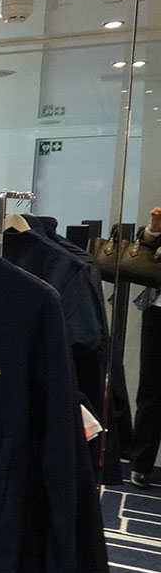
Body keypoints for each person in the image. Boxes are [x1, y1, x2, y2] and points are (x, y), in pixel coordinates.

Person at [131, 206, 161, 488]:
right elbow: (145, 246)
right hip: (158, 312)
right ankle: (141, 464)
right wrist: (154, 227)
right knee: (151, 390)